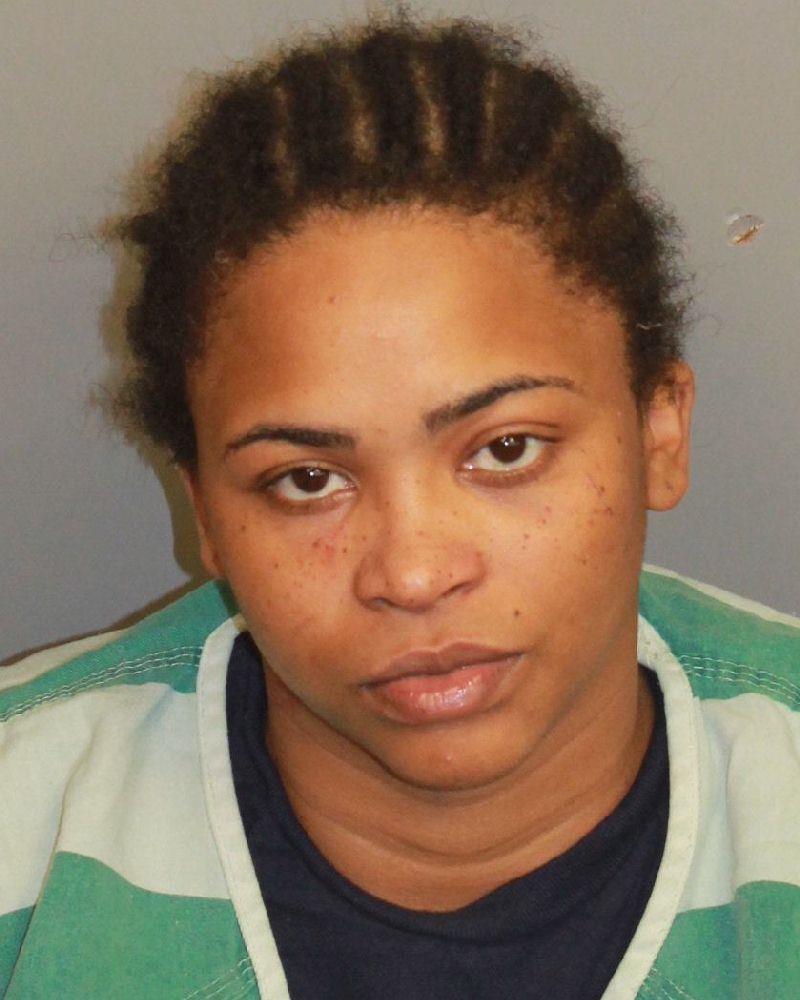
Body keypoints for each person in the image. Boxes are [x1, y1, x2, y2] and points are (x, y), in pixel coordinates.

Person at [1, 12, 798, 1000]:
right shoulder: (27, 825)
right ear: (205, 512)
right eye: (306, 480)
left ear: (658, 434)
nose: (414, 575)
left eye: (505, 449)